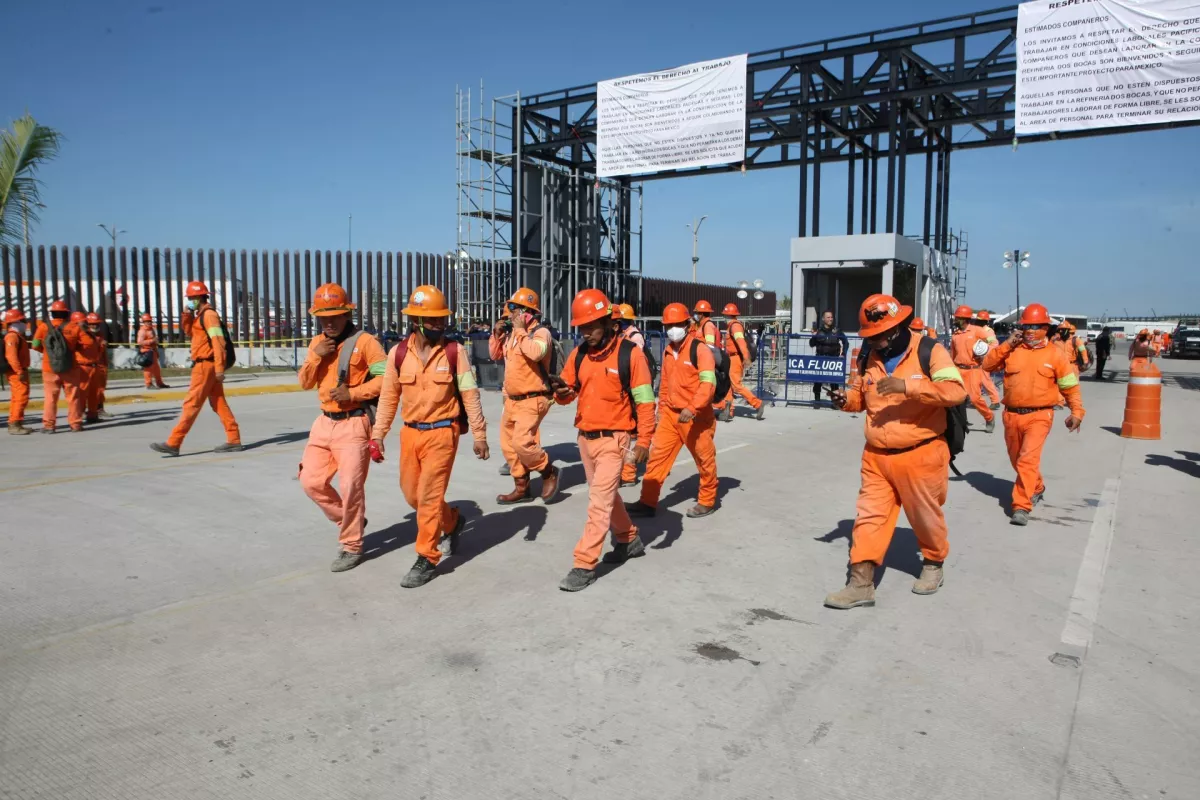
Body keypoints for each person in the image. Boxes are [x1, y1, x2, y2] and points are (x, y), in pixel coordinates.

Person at [824, 294, 967, 609]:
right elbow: (859, 398)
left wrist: (908, 387)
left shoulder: (931, 351)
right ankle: (860, 583)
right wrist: (844, 400)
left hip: (922, 452)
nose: (876, 342)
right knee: (869, 517)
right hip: (876, 456)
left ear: (900, 326)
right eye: (871, 337)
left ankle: (933, 562)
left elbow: (956, 391)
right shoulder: (866, 356)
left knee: (924, 516)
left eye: (881, 335)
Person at [370, 285, 489, 589]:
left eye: (442, 320)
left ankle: (427, 556)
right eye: (433, 320)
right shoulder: (397, 353)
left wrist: (479, 433)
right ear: (416, 321)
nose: (440, 325)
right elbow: (388, 397)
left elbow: (469, 393)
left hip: (442, 433)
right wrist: (378, 434)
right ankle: (451, 521)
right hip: (410, 434)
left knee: (427, 498)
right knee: (412, 494)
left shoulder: (454, 352)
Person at [553, 289, 656, 592]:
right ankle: (628, 540)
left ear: (609, 321)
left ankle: (584, 563)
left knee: (598, 502)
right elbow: (569, 391)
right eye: (581, 327)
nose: (586, 333)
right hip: (585, 439)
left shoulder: (630, 354)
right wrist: (560, 393)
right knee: (607, 497)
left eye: (591, 326)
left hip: (616, 440)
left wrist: (644, 442)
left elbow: (646, 401)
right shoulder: (580, 353)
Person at [297, 283, 388, 573]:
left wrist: (354, 393)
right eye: (323, 317)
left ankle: (351, 545)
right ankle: (350, 520)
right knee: (310, 482)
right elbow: (304, 383)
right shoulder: (316, 344)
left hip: (353, 423)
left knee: (350, 488)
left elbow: (386, 379)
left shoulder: (366, 342)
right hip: (323, 424)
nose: (329, 322)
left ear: (347, 313)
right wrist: (316, 356)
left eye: (335, 315)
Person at [980, 303, 1085, 526]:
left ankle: (1021, 506)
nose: (1031, 331)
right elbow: (987, 366)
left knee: (1027, 459)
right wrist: (1008, 343)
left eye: (1037, 326)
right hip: (1011, 415)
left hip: (1040, 416)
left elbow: (1069, 386)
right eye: (1027, 326)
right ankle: (1036, 487)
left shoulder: (1055, 356)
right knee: (1017, 460)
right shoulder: (1012, 350)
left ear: (1046, 328)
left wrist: (1076, 411)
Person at [625, 302, 718, 519]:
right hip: (670, 415)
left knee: (704, 459)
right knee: (657, 458)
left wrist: (692, 407)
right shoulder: (668, 351)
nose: (672, 329)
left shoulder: (700, 349)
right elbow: (665, 384)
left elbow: (708, 384)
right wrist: (661, 411)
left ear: (687, 324)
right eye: (669, 325)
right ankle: (647, 502)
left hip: (696, 416)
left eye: (676, 324)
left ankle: (707, 500)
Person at [150, 281, 242, 456]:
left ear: (199, 297)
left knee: (191, 404)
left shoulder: (209, 315)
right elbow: (190, 332)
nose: (190, 300)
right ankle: (234, 439)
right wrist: (186, 313)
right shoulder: (200, 315)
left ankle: (174, 442)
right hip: (206, 365)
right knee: (219, 403)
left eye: (191, 298)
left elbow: (218, 342)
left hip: (206, 366)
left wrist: (219, 367)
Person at [495, 287, 560, 505]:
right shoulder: (512, 335)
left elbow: (537, 352)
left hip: (533, 398)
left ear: (527, 312)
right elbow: (495, 355)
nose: (510, 312)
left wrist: (521, 331)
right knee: (508, 446)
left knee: (522, 443)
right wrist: (497, 335)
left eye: (514, 308)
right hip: (513, 400)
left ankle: (548, 471)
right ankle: (521, 487)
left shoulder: (540, 333)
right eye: (510, 307)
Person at [31, 300, 84, 433]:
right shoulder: (74, 327)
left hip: (49, 368)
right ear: (66, 314)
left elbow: (35, 344)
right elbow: (86, 344)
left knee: (50, 398)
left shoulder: (43, 327)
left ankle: (49, 425)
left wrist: (46, 352)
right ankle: (75, 424)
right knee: (73, 397)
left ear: (53, 313)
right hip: (70, 367)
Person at [950, 305, 995, 433]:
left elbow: (993, 342)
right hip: (958, 369)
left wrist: (985, 352)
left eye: (957, 318)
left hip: (973, 370)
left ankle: (989, 417)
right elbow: (952, 354)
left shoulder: (977, 331)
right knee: (956, 397)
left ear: (964, 319)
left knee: (975, 398)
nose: (955, 320)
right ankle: (960, 423)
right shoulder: (955, 335)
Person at [718, 303, 765, 422]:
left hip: (735, 358)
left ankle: (757, 404)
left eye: (725, 315)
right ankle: (729, 410)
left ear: (729, 315)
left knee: (736, 386)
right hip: (731, 358)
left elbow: (740, 342)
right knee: (729, 385)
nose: (724, 317)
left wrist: (745, 357)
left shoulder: (735, 326)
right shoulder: (733, 326)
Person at [490, 307, 514, 478]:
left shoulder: (530, 335)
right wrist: (496, 334)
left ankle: (531, 461)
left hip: (528, 390)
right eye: (505, 318)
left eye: (509, 317)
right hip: (509, 390)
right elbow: (494, 354)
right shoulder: (505, 338)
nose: (507, 321)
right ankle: (513, 459)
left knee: (525, 431)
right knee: (508, 428)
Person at [810, 310, 848, 405]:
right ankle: (817, 398)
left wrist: (843, 353)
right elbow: (811, 344)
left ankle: (835, 401)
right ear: (823, 319)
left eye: (831, 317)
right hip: (821, 358)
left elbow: (845, 342)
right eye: (828, 317)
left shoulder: (837, 330)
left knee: (834, 382)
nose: (830, 319)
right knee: (818, 380)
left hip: (833, 359)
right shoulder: (818, 331)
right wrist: (814, 336)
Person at [4, 309, 32, 435]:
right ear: (15, 322)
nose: (25, 323)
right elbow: (11, 357)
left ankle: (16, 422)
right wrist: (19, 371)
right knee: (20, 397)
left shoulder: (17, 336)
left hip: (19, 371)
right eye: (22, 321)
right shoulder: (12, 337)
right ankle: (14, 423)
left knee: (18, 397)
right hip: (16, 372)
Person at [76, 312, 107, 424]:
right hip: (84, 367)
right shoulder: (81, 335)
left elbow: (99, 353)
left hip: (97, 366)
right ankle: (79, 415)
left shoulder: (98, 335)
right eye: (92, 324)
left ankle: (94, 413)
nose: (94, 326)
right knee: (83, 392)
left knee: (96, 391)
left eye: (96, 324)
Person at [972, 310, 1002, 409]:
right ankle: (975, 399)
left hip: (984, 359)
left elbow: (994, 344)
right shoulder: (978, 330)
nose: (976, 322)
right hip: (977, 359)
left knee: (985, 380)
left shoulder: (988, 331)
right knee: (976, 381)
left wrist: (984, 353)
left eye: (978, 320)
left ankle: (995, 401)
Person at [137, 313, 170, 389]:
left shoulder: (151, 329)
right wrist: (152, 341)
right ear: (144, 322)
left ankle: (159, 383)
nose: (149, 322)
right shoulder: (142, 331)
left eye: (150, 321)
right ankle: (148, 384)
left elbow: (154, 341)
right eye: (147, 321)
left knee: (156, 369)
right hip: (146, 352)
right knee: (148, 369)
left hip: (153, 351)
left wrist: (156, 350)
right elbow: (140, 342)